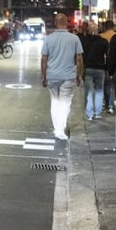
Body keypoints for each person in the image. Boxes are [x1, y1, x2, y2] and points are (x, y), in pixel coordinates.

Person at [40, 13, 84, 141]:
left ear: (55, 23)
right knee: (65, 103)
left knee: (55, 102)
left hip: (52, 76)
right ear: (66, 23)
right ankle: (60, 128)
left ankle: (57, 128)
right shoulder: (74, 39)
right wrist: (79, 74)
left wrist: (43, 75)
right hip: (68, 76)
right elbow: (79, 58)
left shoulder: (48, 39)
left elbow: (44, 58)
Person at [80, 21, 109, 121]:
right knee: (99, 90)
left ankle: (89, 113)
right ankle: (98, 112)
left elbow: (81, 56)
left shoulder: (84, 42)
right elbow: (107, 56)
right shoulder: (104, 42)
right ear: (98, 31)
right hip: (100, 69)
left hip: (88, 68)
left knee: (89, 91)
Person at [99, 20, 116, 114]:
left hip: (103, 62)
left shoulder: (101, 36)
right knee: (112, 85)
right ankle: (110, 104)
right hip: (114, 62)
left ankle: (104, 103)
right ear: (113, 26)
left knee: (104, 85)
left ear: (105, 27)